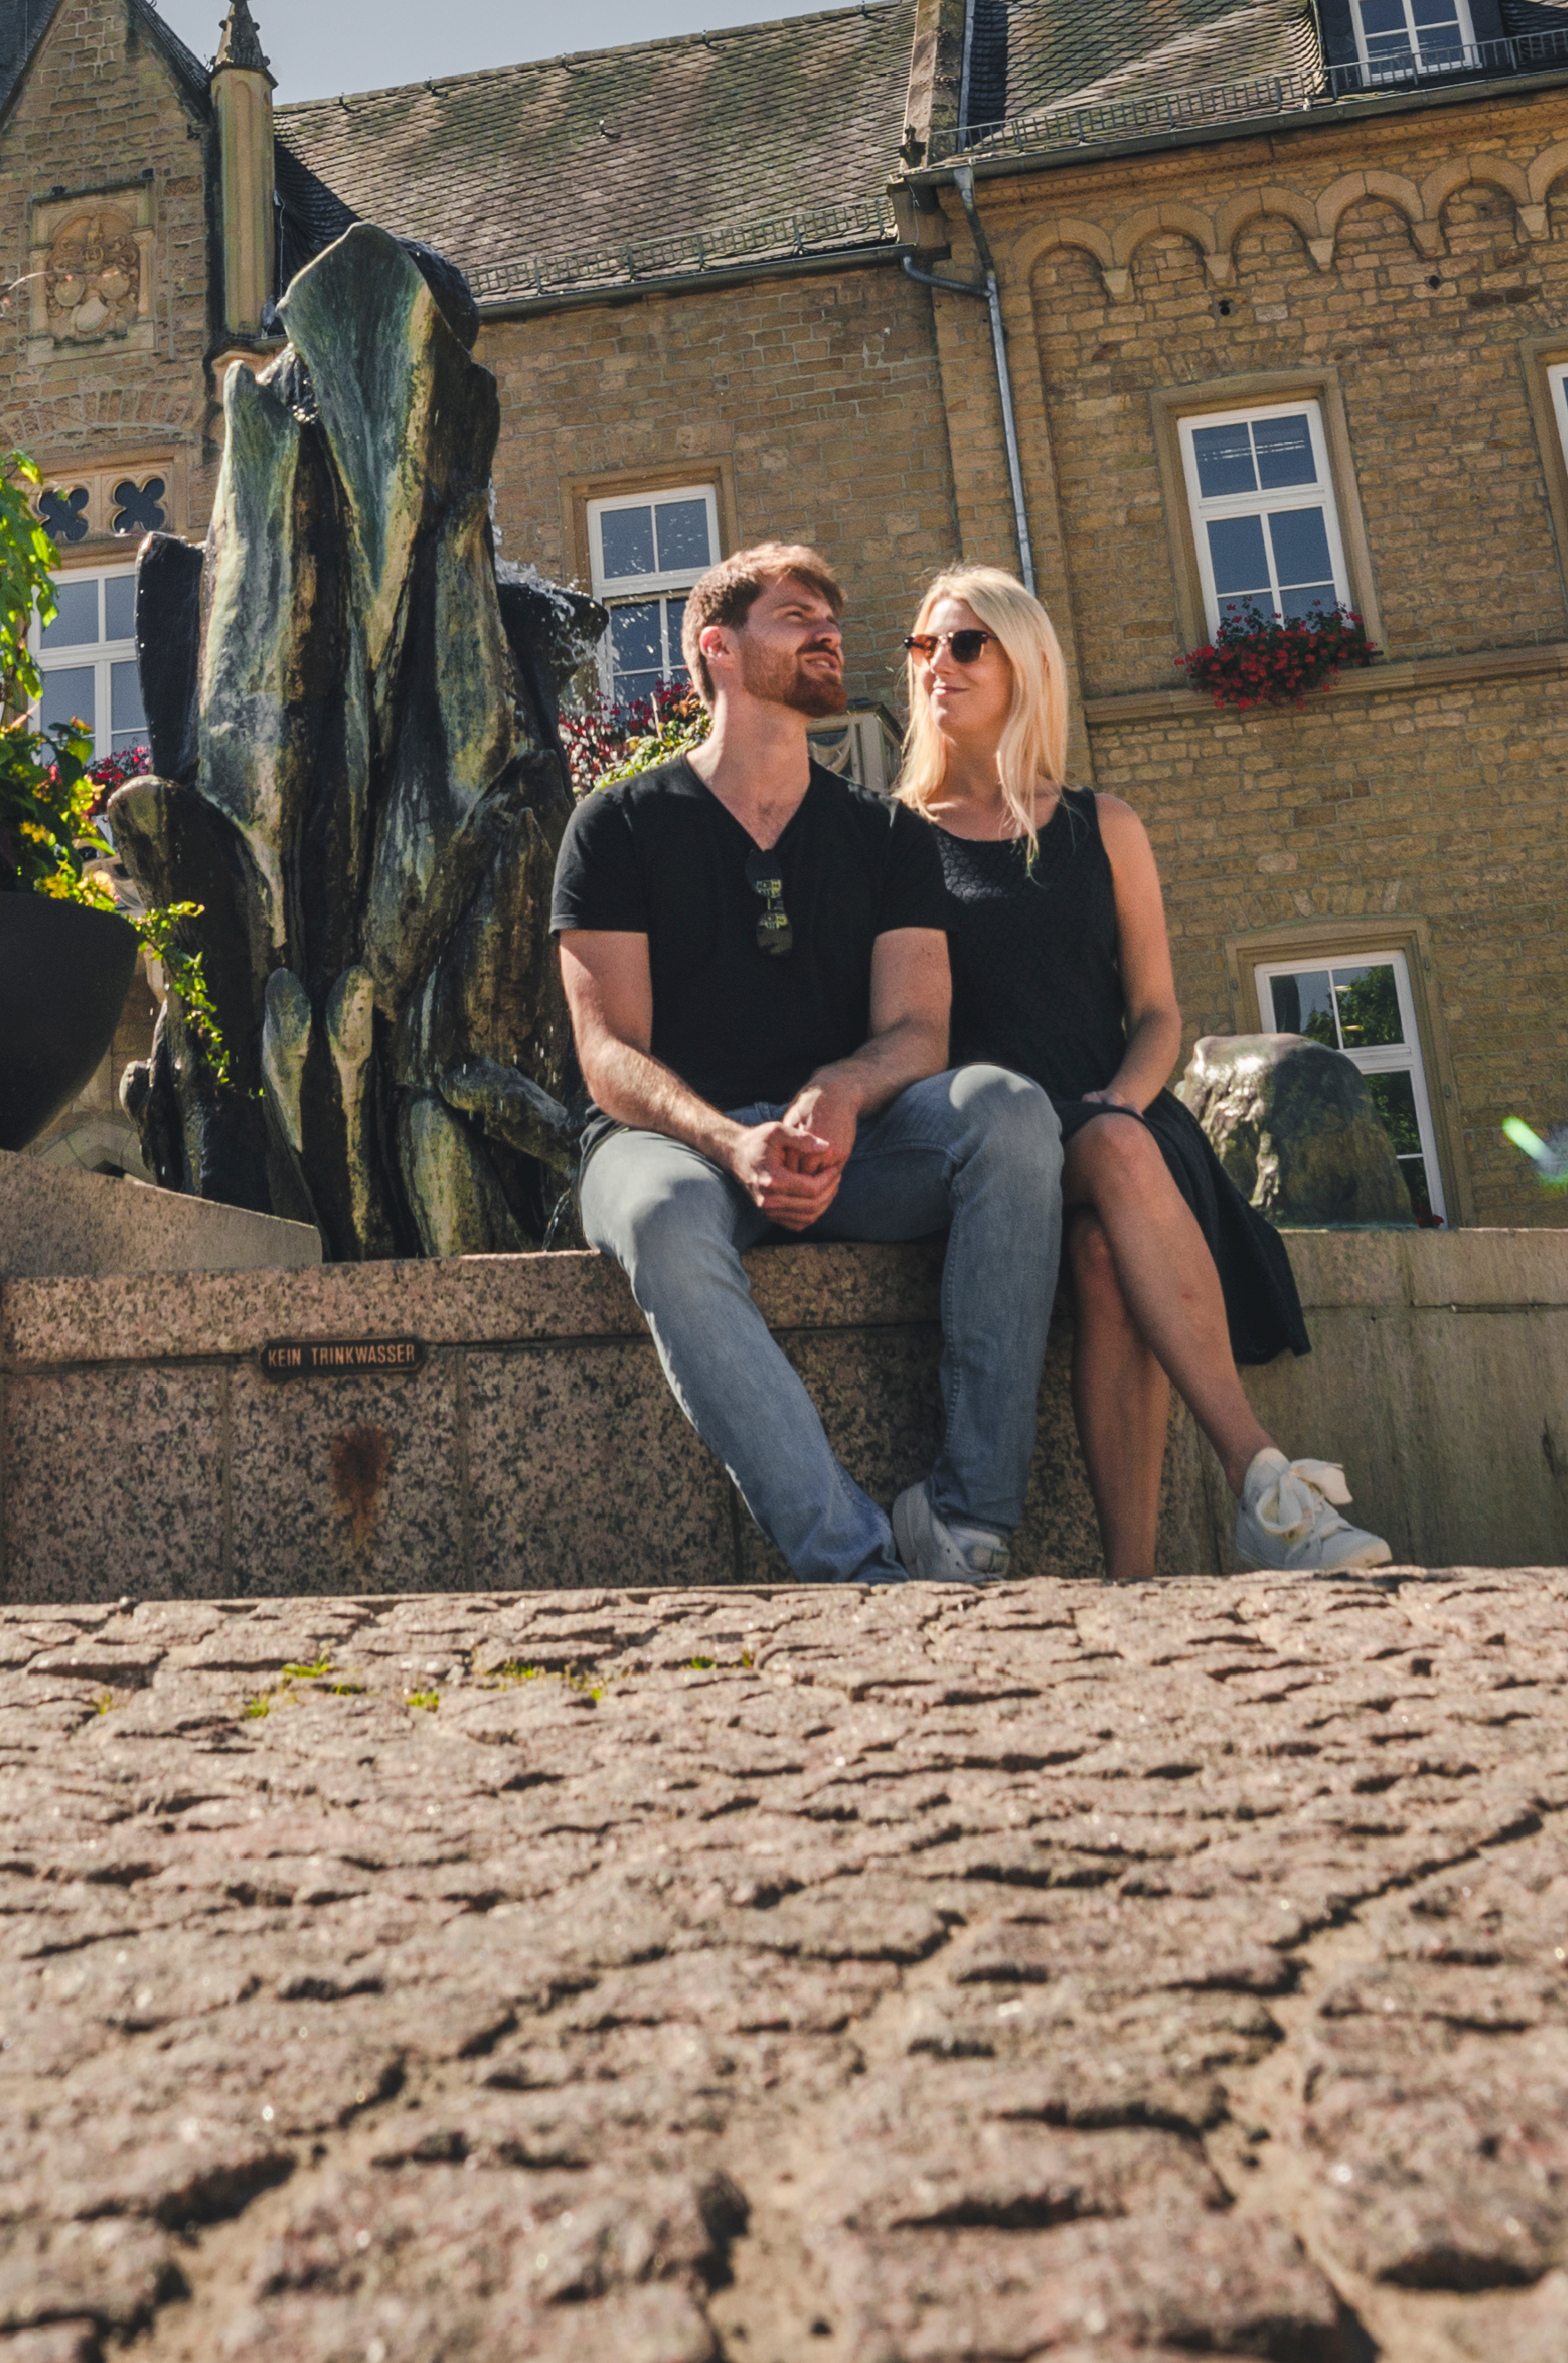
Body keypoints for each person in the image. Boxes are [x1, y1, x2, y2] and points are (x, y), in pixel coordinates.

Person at [552, 540, 1068, 1582]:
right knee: (658, 1213)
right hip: (674, 1147)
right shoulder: (615, 826)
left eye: (830, 614)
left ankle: (964, 1521)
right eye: (795, 615)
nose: (828, 630)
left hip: (854, 1149)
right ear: (719, 649)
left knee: (1009, 1114)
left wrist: (836, 1093)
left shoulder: (884, 835)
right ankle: (855, 1558)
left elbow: (919, 1028)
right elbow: (609, 1057)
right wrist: (732, 1139)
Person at [898, 563, 1396, 1580]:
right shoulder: (895, 840)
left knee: (1102, 1261)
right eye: (919, 646)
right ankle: (1264, 1483)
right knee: (1101, 1196)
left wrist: (1119, 1097)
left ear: (1024, 662)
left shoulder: (1102, 825)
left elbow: (1159, 1009)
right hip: (988, 1140)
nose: (934, 665)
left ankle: (1135, 1575)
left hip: (1112, 1111)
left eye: (962, 643)